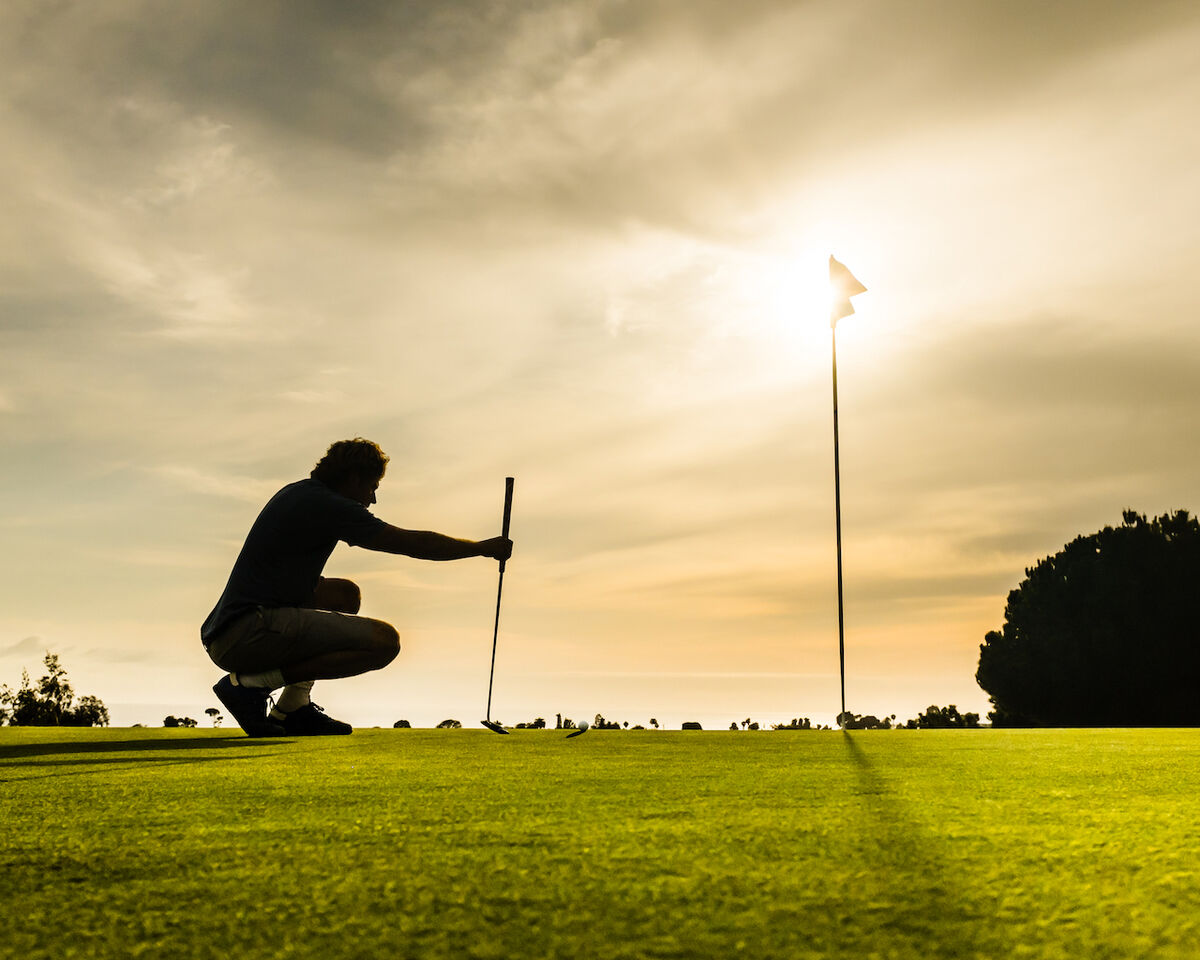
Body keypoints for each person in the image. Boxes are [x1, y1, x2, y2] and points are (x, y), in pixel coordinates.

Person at [201, 438, 513, 737]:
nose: (372, 499)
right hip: (246, 633)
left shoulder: (303, 493)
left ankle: (293, 706)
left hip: (230, 631)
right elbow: (407, 543)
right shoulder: (328, 504)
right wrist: (481, 548)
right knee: (384, 642)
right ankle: (250, 684)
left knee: (345, 595)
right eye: (372, 487)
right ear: (353, 478)